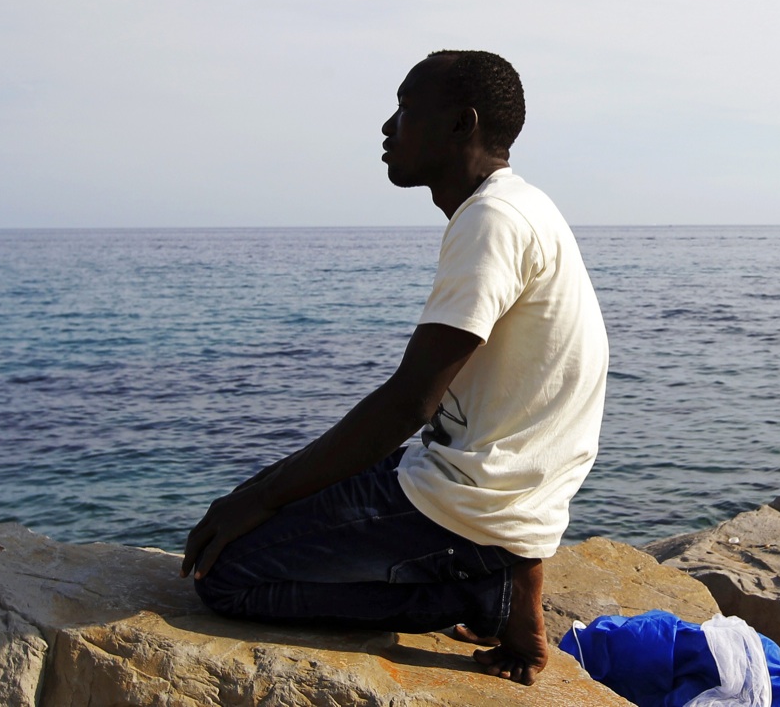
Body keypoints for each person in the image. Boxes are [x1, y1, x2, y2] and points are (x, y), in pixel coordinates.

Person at [180, 50, 608, 686]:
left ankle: (481, 593)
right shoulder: (517, 206)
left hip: (477, 499)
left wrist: (262, 497)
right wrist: (260, 492)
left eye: (406, 111)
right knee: (254, 504)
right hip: (488, 480)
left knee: (229, 577)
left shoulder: (492, 221)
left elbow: (411, 403)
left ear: (462, 125)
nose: (387, 128)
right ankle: (494, 572)